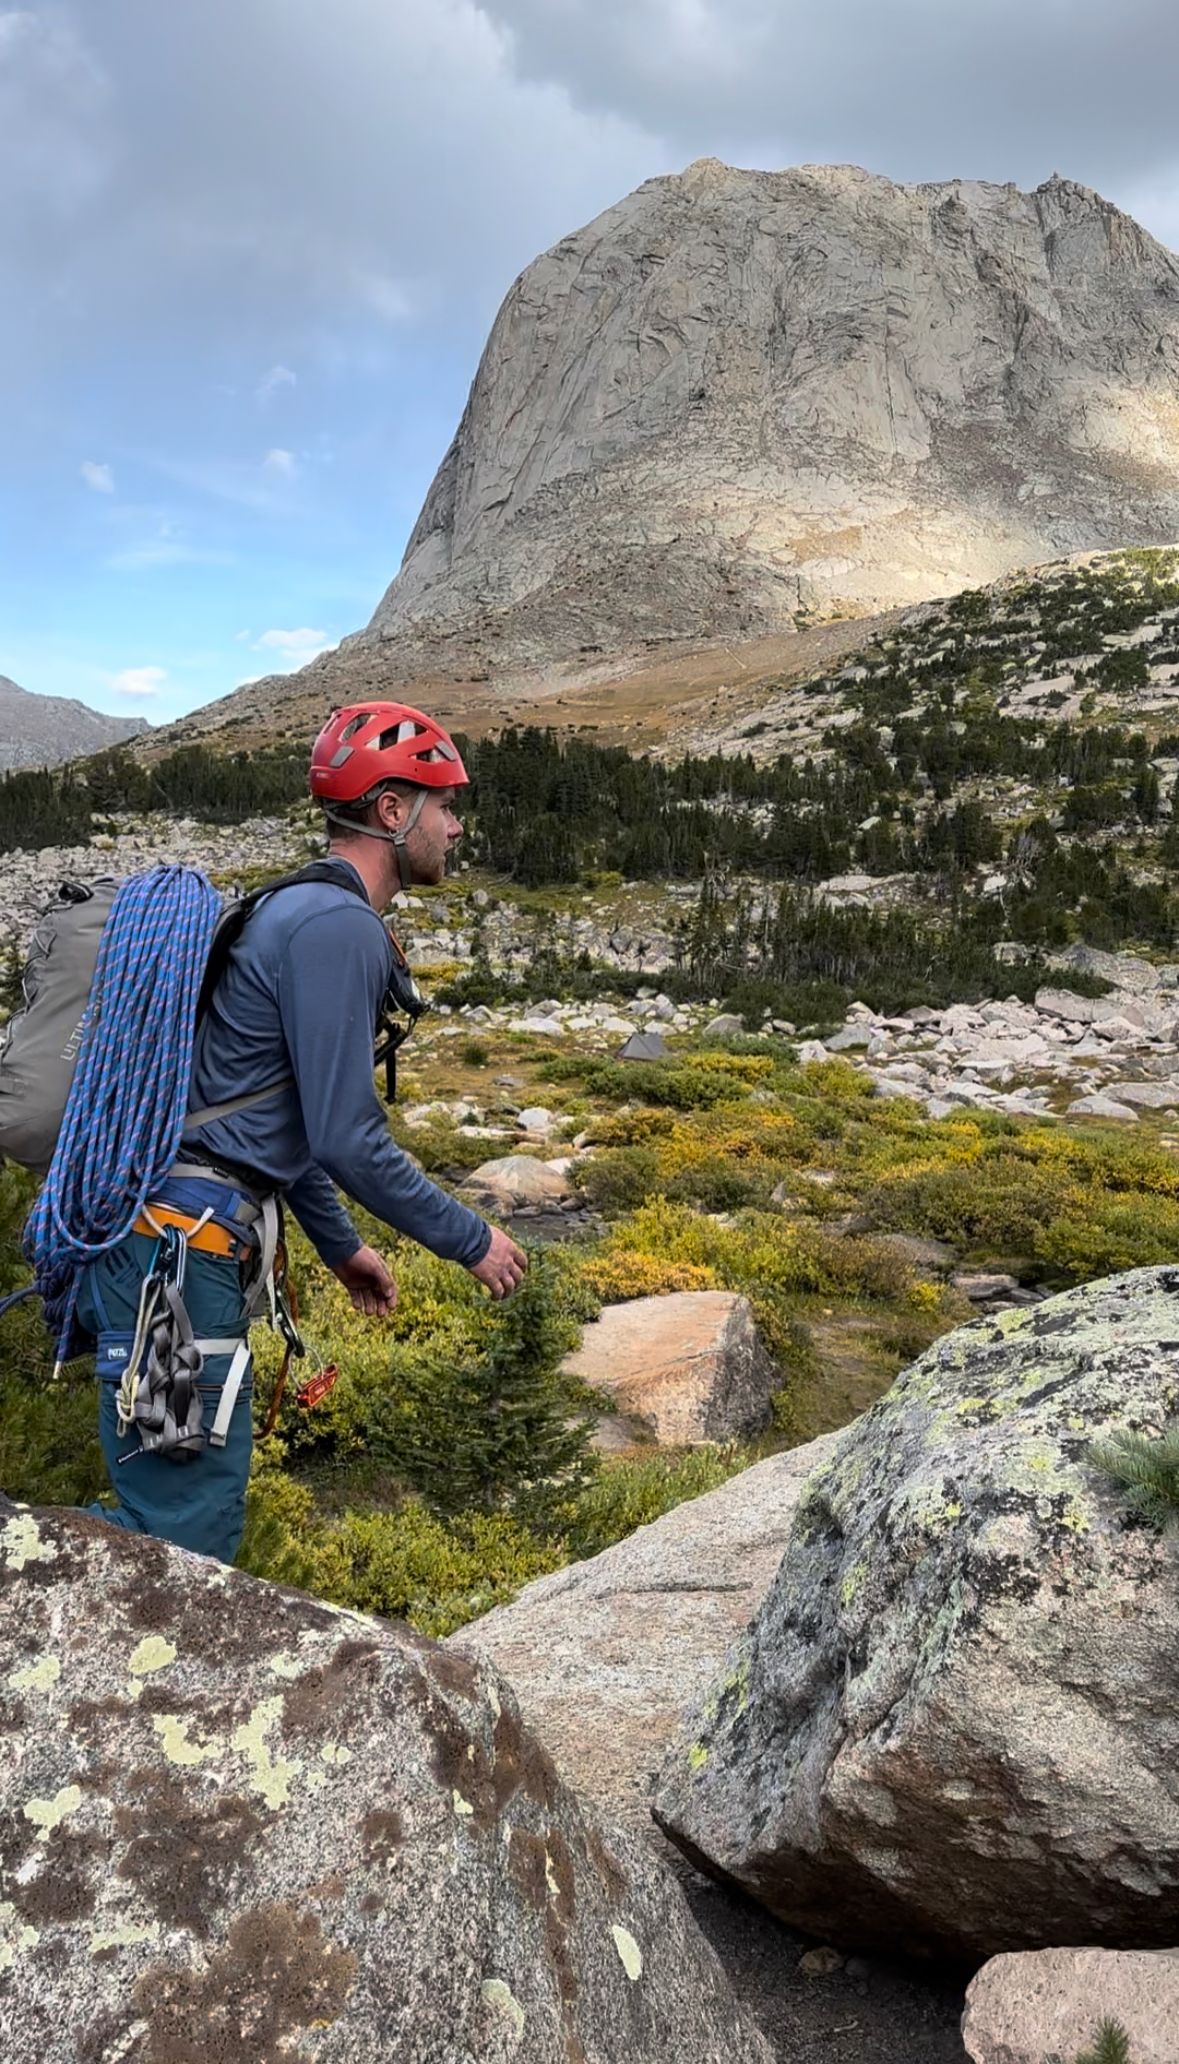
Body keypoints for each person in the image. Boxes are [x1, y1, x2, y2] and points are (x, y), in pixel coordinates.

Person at [76, 701, 527, 1562]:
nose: (456, 827)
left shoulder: (295, 908)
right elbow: (346, 1134)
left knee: (173, 1492)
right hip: (176, 1269)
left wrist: (339, 1246)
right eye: (444, 805)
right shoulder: (336, 927)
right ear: (393, 812)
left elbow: (276, 1122)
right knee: (185, 1523)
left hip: (163, 1246)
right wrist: (469, 1240)